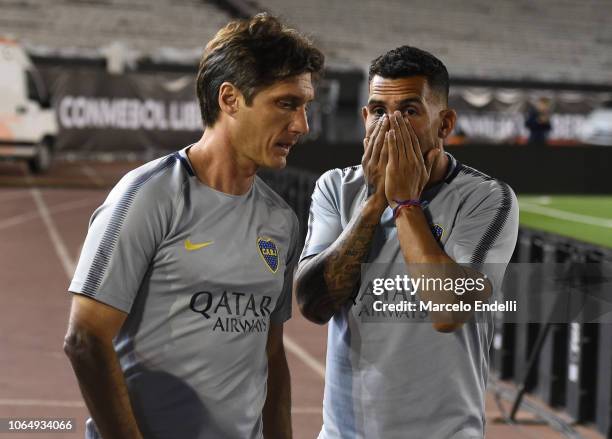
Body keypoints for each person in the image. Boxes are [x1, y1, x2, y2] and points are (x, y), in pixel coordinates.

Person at [63, 13, 324, 439]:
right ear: (229, 99)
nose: (302, 125)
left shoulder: (281, 220)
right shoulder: (147, 196)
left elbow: (271, 356)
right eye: (286, 103)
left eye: (305, 106)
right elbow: (85, 339)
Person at [295, 46, 518, 438]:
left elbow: (448, 311)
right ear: (365, 118)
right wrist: (374, 201)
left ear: (445, 123)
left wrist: (405, 204)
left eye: (409, 112)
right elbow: (313, 305)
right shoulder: (336, 188)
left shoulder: (487, 198)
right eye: (379, 112)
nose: (390, 126)